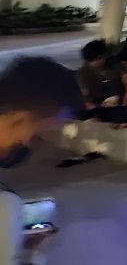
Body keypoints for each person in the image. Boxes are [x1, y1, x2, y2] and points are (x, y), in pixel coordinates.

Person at [0, 57, 81, 264]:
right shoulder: (5, 204)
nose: (34, 146)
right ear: (19, 119)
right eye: (38, 135)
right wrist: (33, 254)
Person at [76, 40, 124, 118]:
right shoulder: (83, 72)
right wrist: (89, 103)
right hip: (98, 104)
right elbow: (85, 93)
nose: (97, 62)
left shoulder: (115, 64)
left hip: (118, 102)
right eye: (93, 60)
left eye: (100, 58)